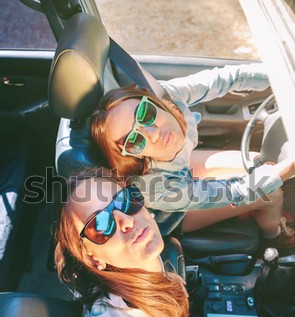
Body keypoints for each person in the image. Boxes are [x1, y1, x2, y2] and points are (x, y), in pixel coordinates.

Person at [54, 167, 295, 317]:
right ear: (94, 260)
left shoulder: (139, 264)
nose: (126, 221)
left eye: (126, 199)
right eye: (101, 224)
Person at [89, 63, 295, 255]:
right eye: (134, 140)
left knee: (258, 161)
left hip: (181, 169)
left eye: (145, 113)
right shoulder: (152, 188)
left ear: (151, 99)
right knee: (271, 194)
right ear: (133, 154)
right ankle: (276, 237)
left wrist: (282, 75)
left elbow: (227, 78)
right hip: (176, 212)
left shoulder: (169, 95)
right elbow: (234, 192)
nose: (153, 134)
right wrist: (288, 169)